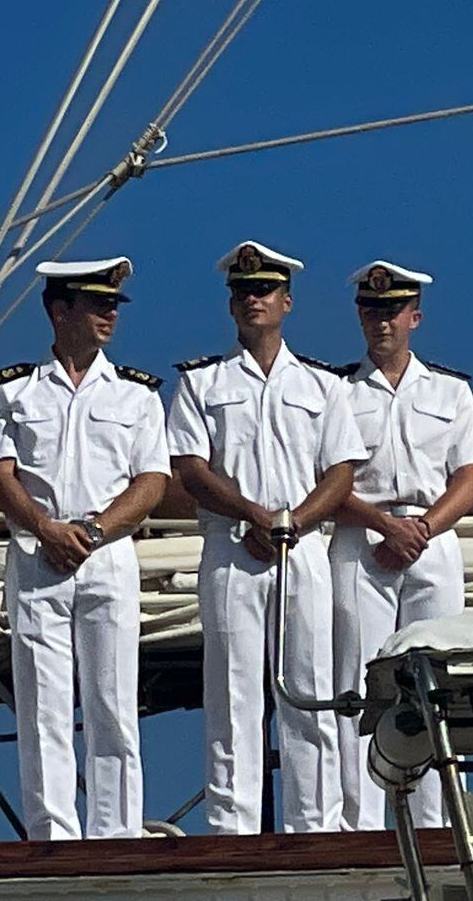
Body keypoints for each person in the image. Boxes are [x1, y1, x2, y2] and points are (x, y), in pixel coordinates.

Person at [166, 240, 367, 834]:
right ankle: (232, 826)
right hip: (233, 549)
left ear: (287, 301)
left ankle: (318, 825)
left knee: (309, 689)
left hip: (300, 548)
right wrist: (253, 514)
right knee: (232, 695)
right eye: (242, 291)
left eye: (263, 290)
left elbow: (342, 470)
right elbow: (191, 469)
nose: (252, 300)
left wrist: (296, 520)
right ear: (231, 304)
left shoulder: (325, 385)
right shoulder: (202, 382)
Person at [0, 257, 169, 839]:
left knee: (112, 700)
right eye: (97, 304)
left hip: (106, 554)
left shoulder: (137, 395)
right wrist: (45, 527)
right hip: (38, 556)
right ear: (58, 309)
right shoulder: (12, 390)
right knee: (42, 703)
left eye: (113, 304)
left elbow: (152, 480)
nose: (110, 314)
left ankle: (114, 831)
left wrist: (93, 531)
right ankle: (52, 833)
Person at [331, 260, 473, 830]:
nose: (383, 321)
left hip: (434, 538)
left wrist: (421, 529)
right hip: (362, 542)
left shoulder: (450, 390)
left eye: (393, 311)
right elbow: (327, 479)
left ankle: (437, 821)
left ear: (414, 317)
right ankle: (362, 822)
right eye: (372, 310)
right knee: (359, 684)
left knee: (441, 682)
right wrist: (384, 525)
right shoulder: (337, 391)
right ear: (359, 316)